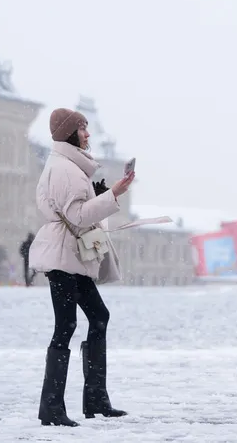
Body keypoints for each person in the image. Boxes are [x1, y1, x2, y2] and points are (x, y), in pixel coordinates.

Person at [29, 108, 135, 427]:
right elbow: (76, 216)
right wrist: (113, 195)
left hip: (72, 256)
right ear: (69, 133)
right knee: (65, 326)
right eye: (83, 128)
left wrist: (100, 195)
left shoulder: (71, 166)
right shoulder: (64, 168)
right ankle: (51, 407)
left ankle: (95, 399)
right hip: (62, 257)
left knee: (98, 316)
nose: (88, 134)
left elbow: (77, 209)